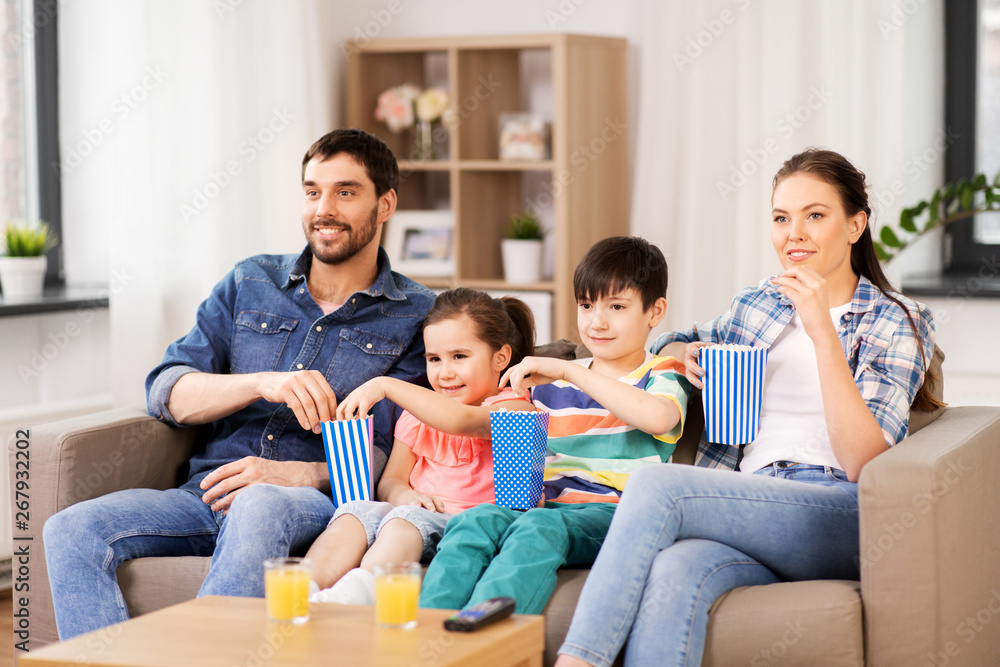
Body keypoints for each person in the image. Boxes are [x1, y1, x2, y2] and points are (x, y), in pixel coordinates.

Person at [43, 128, 436, 639]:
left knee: (260, 500)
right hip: (205, 492)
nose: (324, 209)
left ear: (385, 205)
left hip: (311, 504)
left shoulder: (416, 314)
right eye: (312, 191)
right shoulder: (251, 281)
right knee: (69, 529)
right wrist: (260, 384)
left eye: (345, 191)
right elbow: (167, 391)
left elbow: (389, 452)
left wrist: (294, 474)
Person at [554, 148, 940, 667]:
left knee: (654, 488)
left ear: (855, 226)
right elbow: (671, 339)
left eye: (815, 216)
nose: (793, 234)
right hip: (749, 498)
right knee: (675, 570)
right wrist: (681, 354)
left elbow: (865, 461)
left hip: (838, 509)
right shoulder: (758, 303)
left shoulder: (899, 320)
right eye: (781, 218)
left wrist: (823, 333)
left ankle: (577, 662)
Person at [419, 236, 691, 615]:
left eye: (616, 306)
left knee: (538, 531)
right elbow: (489, 421)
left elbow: (658, 417)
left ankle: (485, 642)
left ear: (654, 311)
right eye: (586, 305)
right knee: (474, 521)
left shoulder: (663, 372)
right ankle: (427, 627)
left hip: (614, 513)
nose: (597, 321)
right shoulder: (549, 381)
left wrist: (568, 371)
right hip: (545, 506)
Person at [304, 288, 537, 604]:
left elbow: (461, 420)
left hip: (473, 526)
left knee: (404, 522)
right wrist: (406, 495)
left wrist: (385, 385)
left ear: (501, 358)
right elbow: (391, 481)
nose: (445, 373)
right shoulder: (418, 416)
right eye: (434, 359)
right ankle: (303, 592)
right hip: (418, 516)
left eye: (459, 357)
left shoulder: (514, 408)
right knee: (355, 512)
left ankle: (354, 598)